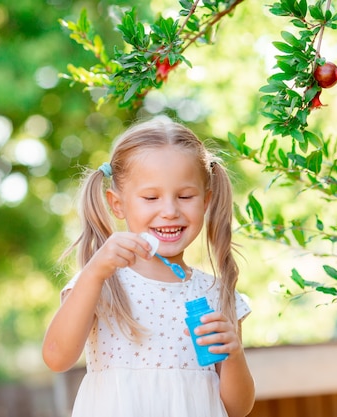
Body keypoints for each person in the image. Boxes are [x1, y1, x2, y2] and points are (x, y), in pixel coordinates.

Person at [42, 116, 255, 417]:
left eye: (185, 196)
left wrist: (233, 355)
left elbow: (237, 408)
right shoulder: (101, 282)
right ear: (117, 204)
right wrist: (94, 272)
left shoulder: (216, 295)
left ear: (206, 201)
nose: (169, 211)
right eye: (151, 197)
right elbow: (56, 358)